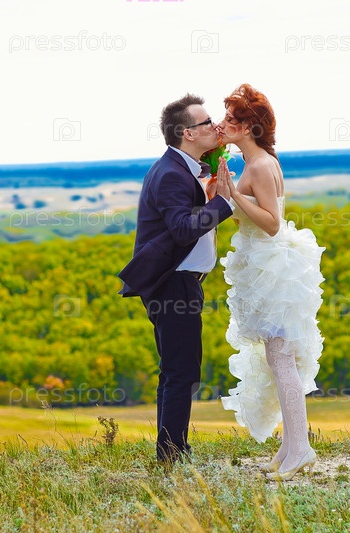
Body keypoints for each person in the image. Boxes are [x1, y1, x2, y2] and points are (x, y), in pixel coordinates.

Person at [216, 84, 325, 481]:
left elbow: (272, 223)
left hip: (273, 270)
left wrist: (233, 194)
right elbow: (246, 216)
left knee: (281, 360)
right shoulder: (256, 161)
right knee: (277, 359)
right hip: (264, 266)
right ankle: (290, 445)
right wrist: (226, 192)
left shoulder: (260, 165)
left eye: (231, 119)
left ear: (248, 128)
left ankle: (301, 449)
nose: (223, 123)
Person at [118, 93, 234, 464]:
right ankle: (172, 454)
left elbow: (183, 221)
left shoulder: (179, 168)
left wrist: (208, 197)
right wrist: (223, 203)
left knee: (175, 370)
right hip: (173, 285)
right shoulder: (170, 173)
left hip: (179, 282)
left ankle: (171, 449)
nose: (215, 126)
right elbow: (183, 230)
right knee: (181, 371)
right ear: (187, 133)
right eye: (207, 122)